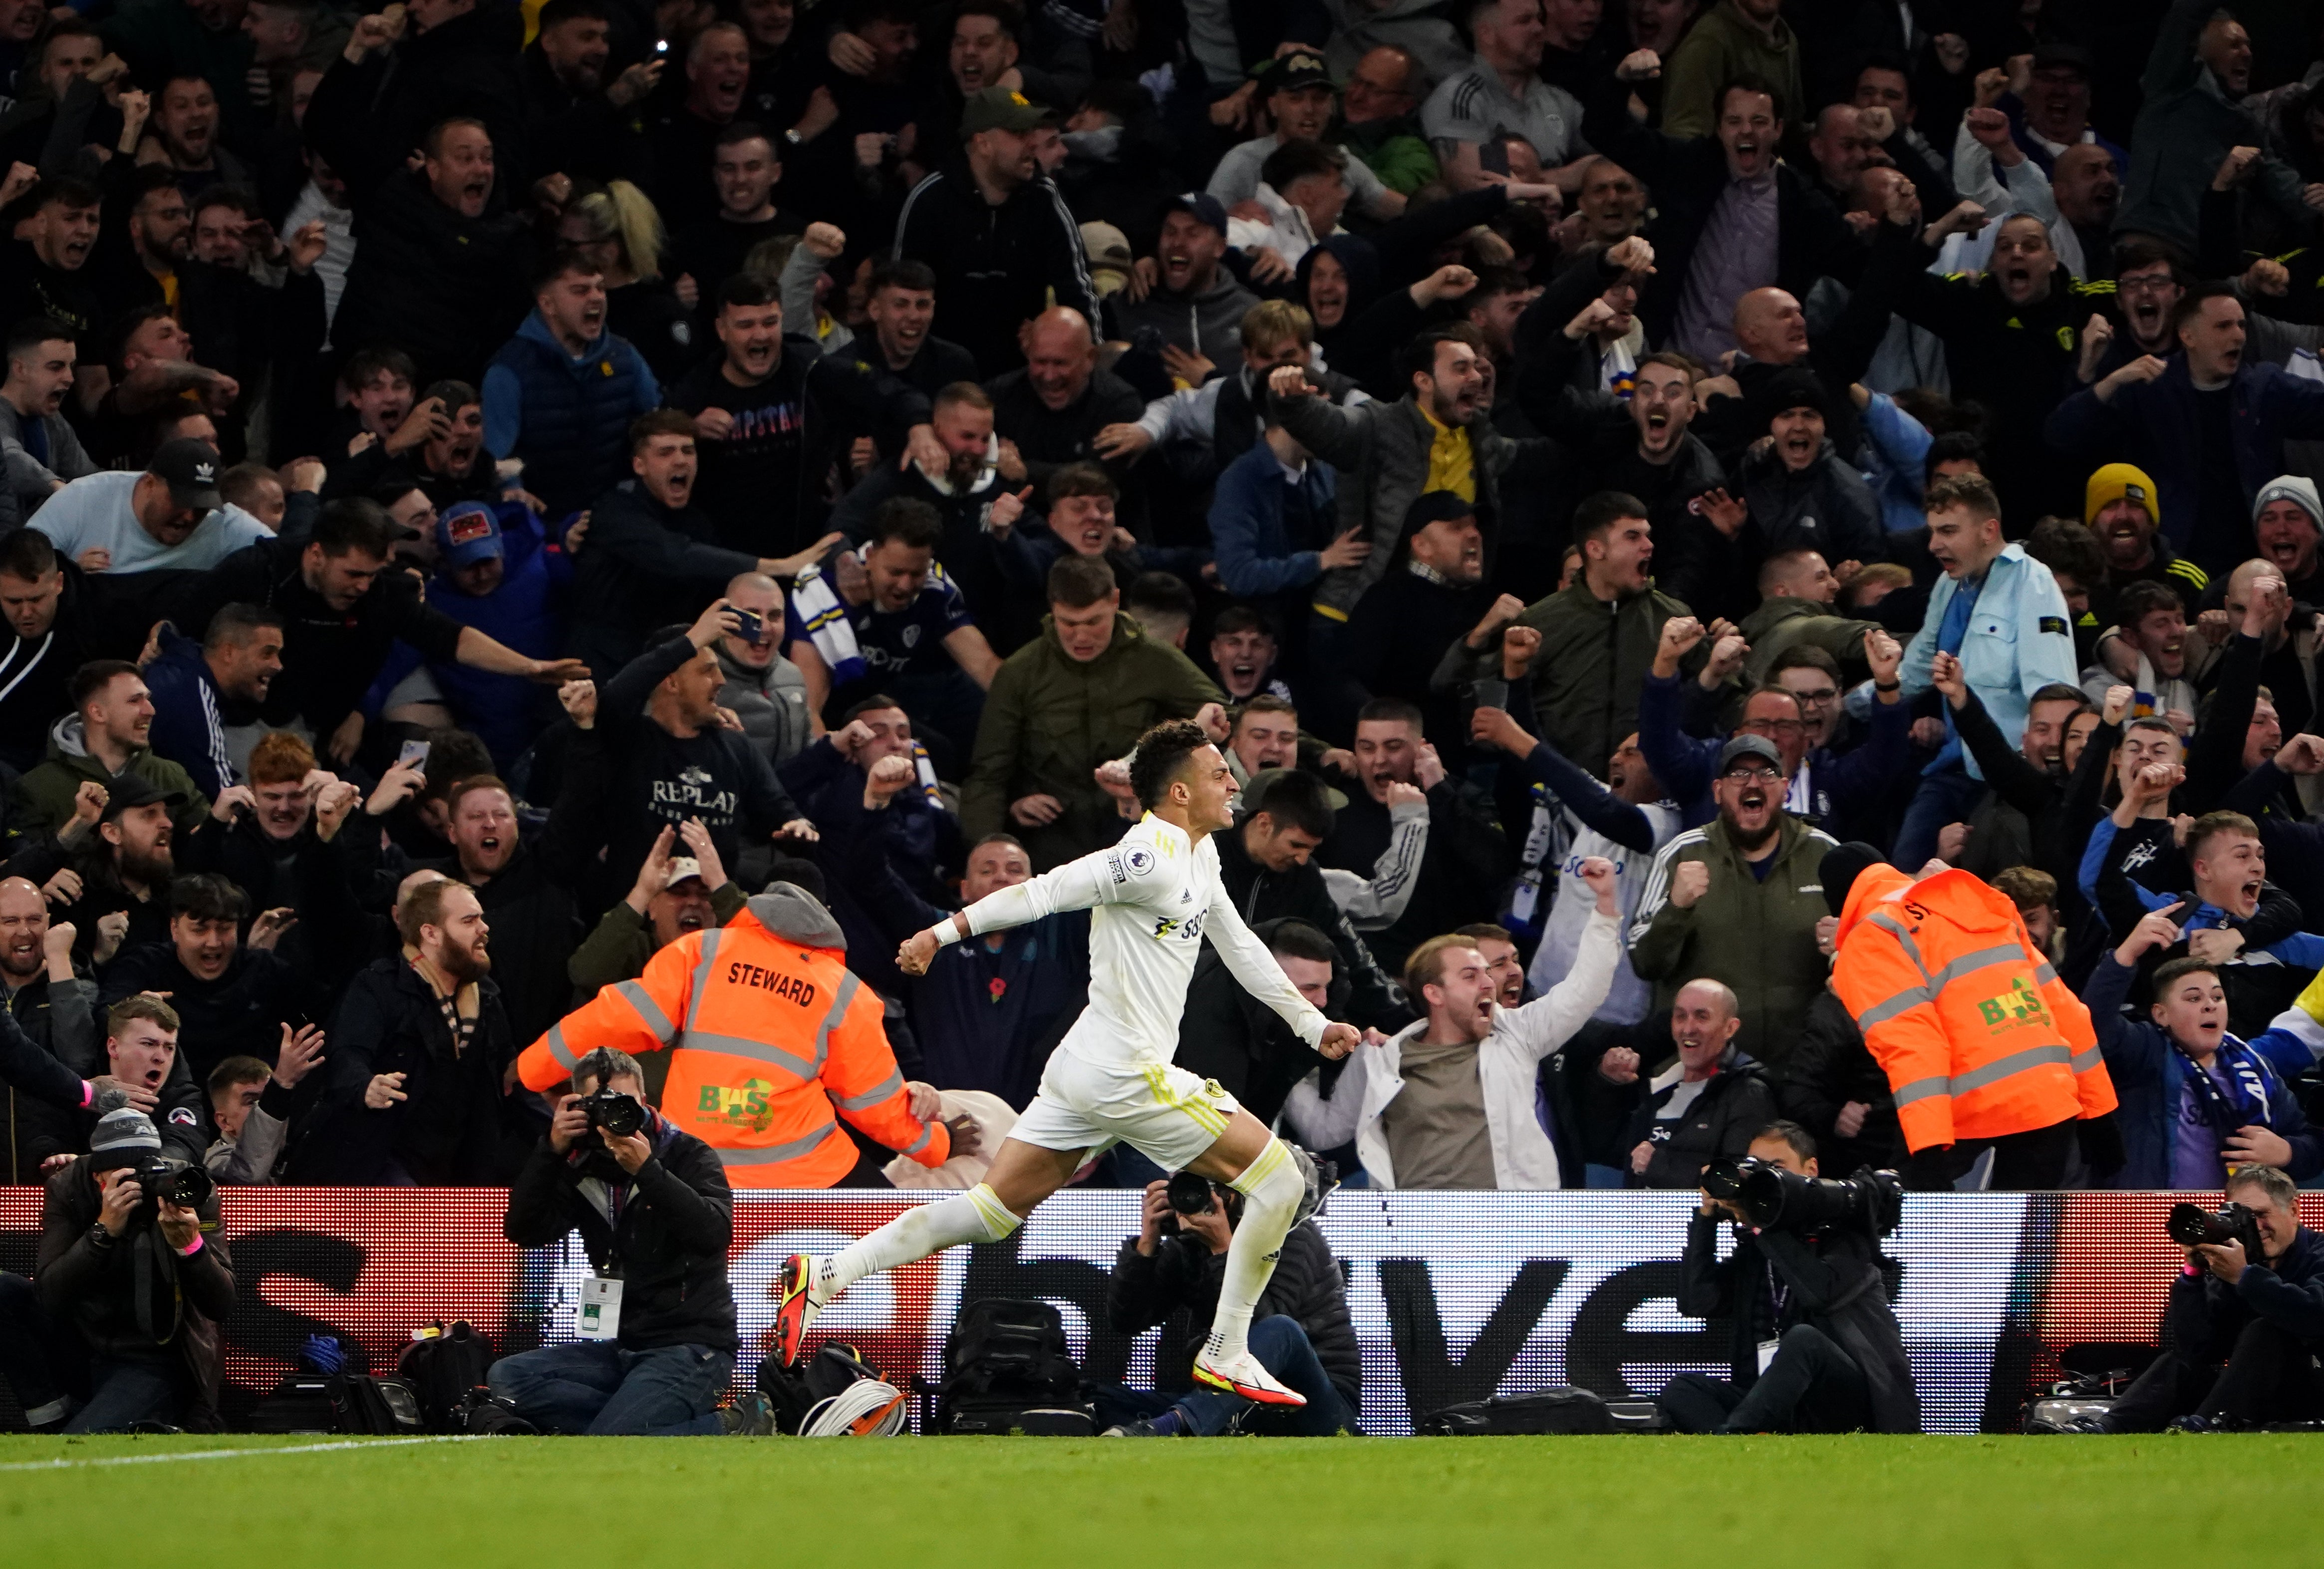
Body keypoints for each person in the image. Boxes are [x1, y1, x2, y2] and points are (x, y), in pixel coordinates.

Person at [774, 718, 1361, 1406]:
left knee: (990, 1212)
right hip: (1127, 1072)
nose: (1233, 782)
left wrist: (1311, 1022)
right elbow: (1041, 891)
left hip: (1084, 1071)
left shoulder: (1201, 856)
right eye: (1217, 774)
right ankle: (1229, 1347)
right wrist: (940, 932)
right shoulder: (1144, 857)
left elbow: (1241, 947)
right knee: (1282, 1179)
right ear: (1178, 791)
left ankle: (828, 1272)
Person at [520, 868, 958, 1190]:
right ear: (825, 920)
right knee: (888, 1223)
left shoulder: (701, 953)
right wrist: (935, 1143)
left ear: (758, 909)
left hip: (692, 1166)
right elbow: (874, 1100)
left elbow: (610, 1017)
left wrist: (530, 1070)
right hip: (803, 1172)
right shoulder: (842, 990)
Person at [1286, 859, 1621, 1189]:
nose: (1489, 983)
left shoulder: (1519, 1034)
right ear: (1435, 993)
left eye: (1487, 973)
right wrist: (1282, 1051)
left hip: (1515, 1230)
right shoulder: (1380, 1056)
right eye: (1470, 976)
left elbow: (1585, 989)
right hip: (1418, 1234)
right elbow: (1324, 1130)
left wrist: (1606, 908)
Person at [491, 1047, 758, 1435]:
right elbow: (525, 1230)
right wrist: (550, 1150)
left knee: (611, 1438)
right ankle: (631, 1421)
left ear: (645, 1103)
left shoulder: (688, 1154)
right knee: (507, 1378)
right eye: (600, 1106)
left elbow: (714, 1234)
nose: (614, 1117)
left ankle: (731, 1423)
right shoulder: (579, 1164)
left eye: (625, 1104)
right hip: (622, 1347)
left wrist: (648, 1171)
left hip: (694, 1347)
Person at [1824, 845, 2117, 1192]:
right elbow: (2065, 1008)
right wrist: (2099, 1112)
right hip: (2046, 1097)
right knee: (2025, 1243)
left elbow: (1914, 1045)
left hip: (1968, 1103)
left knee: (1922, 1235)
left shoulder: (1874, 935)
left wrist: (1927, 1146)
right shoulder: (1977, 905)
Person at [1657, 1120, 1921, 1434]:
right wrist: (1707, 1220)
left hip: (1844, 1399)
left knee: (1804, 1340)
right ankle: (1744, 1441)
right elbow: (1698, 1302)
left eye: (1776, 1166)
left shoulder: (1844, 1230)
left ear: (1811, 1170)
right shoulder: (1757, 1245)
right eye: (1755, 1167)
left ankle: (1733, 1439)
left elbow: (1820, 1292)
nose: (1764, 1177)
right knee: (1683, 1388)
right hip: (1773, 1400)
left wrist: (1760, 1224)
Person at [960, 555, 1222, 869]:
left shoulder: (1154, 660)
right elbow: (988, 776)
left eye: (1094, 622)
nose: (1081, 637)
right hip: (1052, 835)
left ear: (1115, 601)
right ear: (1052, 608)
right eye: (1069, 623)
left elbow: (1224, 713)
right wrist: (988, 853)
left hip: (1136, 827)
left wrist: (1212, 725)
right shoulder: (1020, 673)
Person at [2046, 286, 2324, 579]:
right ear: (2188, 336)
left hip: (2255, 557)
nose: (2239, 336)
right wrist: (2113, 380)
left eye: (2241, 325)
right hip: (2174, 561)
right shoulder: (2150, 387)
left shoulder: (2265, 387)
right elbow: (2063, 435)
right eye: (2223, 326)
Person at [0, 1102, 233, 1432]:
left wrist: (190, 1247)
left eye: (147, 1168)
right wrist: (103, 1231)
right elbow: (49, 1296)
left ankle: (125, 1416)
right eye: (126, 1174)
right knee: (5, 1290)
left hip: (152, 1358)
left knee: (82, 1442)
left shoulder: (189, 1187)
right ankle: (51, 1421)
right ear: (98, 1177)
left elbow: (222, 1304)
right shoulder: (69, 1186)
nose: (140, 1181)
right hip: (82, 1345)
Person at [1893, 474, 2079, 868]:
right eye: (1932, 531)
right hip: (1950, 769)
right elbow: (1916, 669)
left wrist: (2042, 783)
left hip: (2004, 778)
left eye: (1948, 531)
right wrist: (1856, 701)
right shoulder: (1949, 584)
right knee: (1903, 877)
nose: (1933, 545)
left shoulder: (2034, 582)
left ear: (1988, 530)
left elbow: (2054, 695)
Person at [1100, 1167, 1361, 1437]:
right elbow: (1127, 1320)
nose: (1201, 1198)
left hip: (1314, 1405)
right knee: (1096, 1397)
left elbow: (1262, 1336)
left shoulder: (1294, 1236)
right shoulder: (1191, 1241)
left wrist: (1224, 1250)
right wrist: (1147, 1243)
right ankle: (1168, 1421)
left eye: (1211, 1188)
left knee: (1284, 1330)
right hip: (1235, 1407)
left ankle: (1175, 1426)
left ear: (1237, 1193)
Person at [290, 879, 516, 1186]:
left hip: (457, 1168)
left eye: (481, 918)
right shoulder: (379, 986)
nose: (484, 928)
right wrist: (366, 1086)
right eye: (469, 921)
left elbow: (511, 1078)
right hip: (378, 1163)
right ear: (430, 933)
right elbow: (346, 1055)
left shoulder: (488, 1002)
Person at [2072, 1163, 2324, 1433]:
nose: (2255, 1227)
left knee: (2266, 1330)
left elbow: (2316, 1316)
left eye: (2262, 1214)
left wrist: (2245, 1277)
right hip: (2256, 1395)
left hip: (2314, 1389)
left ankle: (2203, 1426)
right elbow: (2198, 1348)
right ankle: (2103, 1428)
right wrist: (2192, 1274)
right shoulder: (2242, 1263)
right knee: (2179, 1364)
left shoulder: (2314, 1253)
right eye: (2243, 1218)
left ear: (2295, 1211)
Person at [1629, 736, 1837, 1060]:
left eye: (1766, 773)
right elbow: (1644, 962)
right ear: (1717, 790)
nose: (1753, 783)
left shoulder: (1827, 855)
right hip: (1706, 1076)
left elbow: (1877, 965)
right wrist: (1676, 909)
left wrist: (1849, 943)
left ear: (1785, 788)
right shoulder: (1680, 854)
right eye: (1739, 774)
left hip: (1804, 1074)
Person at [2083, 915, 2321, 1189]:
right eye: (2194, 998)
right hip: (2150, 1221)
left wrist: (2286, 1152)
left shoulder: (2257, 1067)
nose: (2210, 1005)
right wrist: (2129, 951)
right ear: (2161, 1015)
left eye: (2217, 997)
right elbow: (2093, 1024)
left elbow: (2312, 1144)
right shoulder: (2145, 1052)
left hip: (2234, 1223)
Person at [892, 85, 1099, 376]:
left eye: (1032, 133)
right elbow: (902, 299)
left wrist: (1088, 367)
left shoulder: (1044, 199)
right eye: (1019, 134)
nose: (1032, 144)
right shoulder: (929, 202)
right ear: (982, 143)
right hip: (941, 376)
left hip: (1025, 378)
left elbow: (1078, 291)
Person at [787, 499, 1000, 769]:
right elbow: (806, 709)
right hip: (807, 714)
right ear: (872, 554)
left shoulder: (936, 590)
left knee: (945, 755)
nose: (905, 585)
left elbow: (986, 667)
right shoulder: (824, 592)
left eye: (917, 573)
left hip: (870, 709)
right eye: (896, 572)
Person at [1315, 697, 1510, 976]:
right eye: (1367, 748)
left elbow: (1496, 867)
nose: (1379, 760)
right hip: (1369, 979)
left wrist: (1438, 791)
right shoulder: (1336, 805)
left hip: (1452, 976)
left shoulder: (1460, 797)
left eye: (1393, 747)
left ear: (1421, 750)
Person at [1509, 491, 1688, 785]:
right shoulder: (1541, 622)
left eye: (1648, 535)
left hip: (1646, 792)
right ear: (1595, 549)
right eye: (1633, 537)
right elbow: (1508, 708)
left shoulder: (1672, 618)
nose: (1649, 546)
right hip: (1557, 791)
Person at [481, 250, 662, 523]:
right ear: (548, 304)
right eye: (580, 290)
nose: (596, 298)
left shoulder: (624, 356)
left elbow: (656, 423)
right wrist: (513, 491)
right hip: (545, 524)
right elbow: (495, 457)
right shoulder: (508, 370)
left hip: (616, 516)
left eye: (600, 288)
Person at [1614, 978, 1778, 1187]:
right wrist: (1609, 1085)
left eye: (1702, 1017)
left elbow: (1740, 1182)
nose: (1688, 1028)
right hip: (1641, 1218)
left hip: (1702, 1220)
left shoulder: (1749, 1093)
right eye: (1681, 1017)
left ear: (1730, 1028)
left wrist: (1658, 1165)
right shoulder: (1658, 1090)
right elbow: (1607, 1148)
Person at [28, 437, 269, 578]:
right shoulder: (84, 499)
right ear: (149, 483)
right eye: (181, 501)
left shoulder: (222, 524)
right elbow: (18, 568)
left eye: (201, 507)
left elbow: (286, 554)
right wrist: (68, 576)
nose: (189, 516)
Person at [1421, 0, 1590, 192]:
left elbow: (1611, 161)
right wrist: (1559, 178)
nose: (1539, 29)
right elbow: (1474, 188)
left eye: (1540, 19)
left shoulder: (1559, 101)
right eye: (1525, 21)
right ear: (1487, 34)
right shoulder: (1458, 99)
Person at [1107, 194, 1257, 377]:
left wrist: (1210, 379)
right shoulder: (1127, 304)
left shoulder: (1252, 313)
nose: (1177, 243)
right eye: (1170, 232)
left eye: (1193, 234)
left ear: (1219, 247)